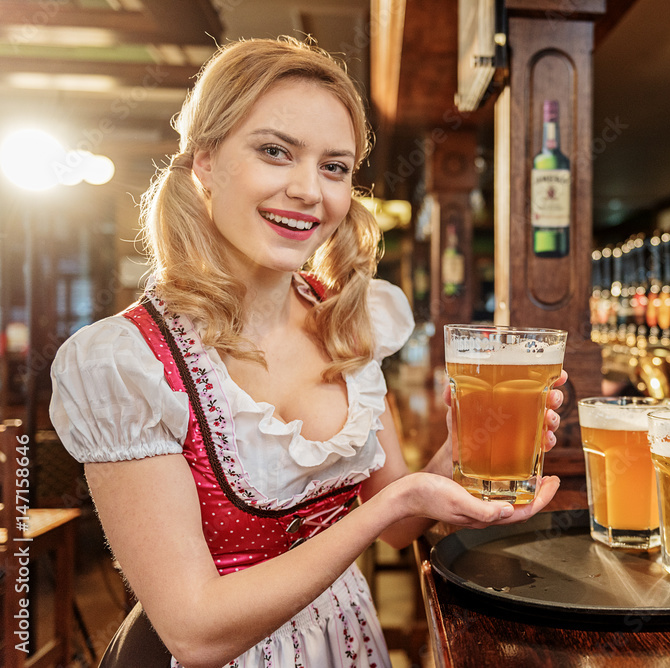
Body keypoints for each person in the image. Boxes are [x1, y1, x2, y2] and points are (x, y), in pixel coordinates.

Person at [49, 37, 564, 668]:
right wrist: (393, 506)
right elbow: (194, 630)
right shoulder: (123, 364)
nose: (309, 191)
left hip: (342, 637)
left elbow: (399, 520)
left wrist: (462, 453)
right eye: (275, 152)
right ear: (205, 162)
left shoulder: (350, 317)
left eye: (335, 167)